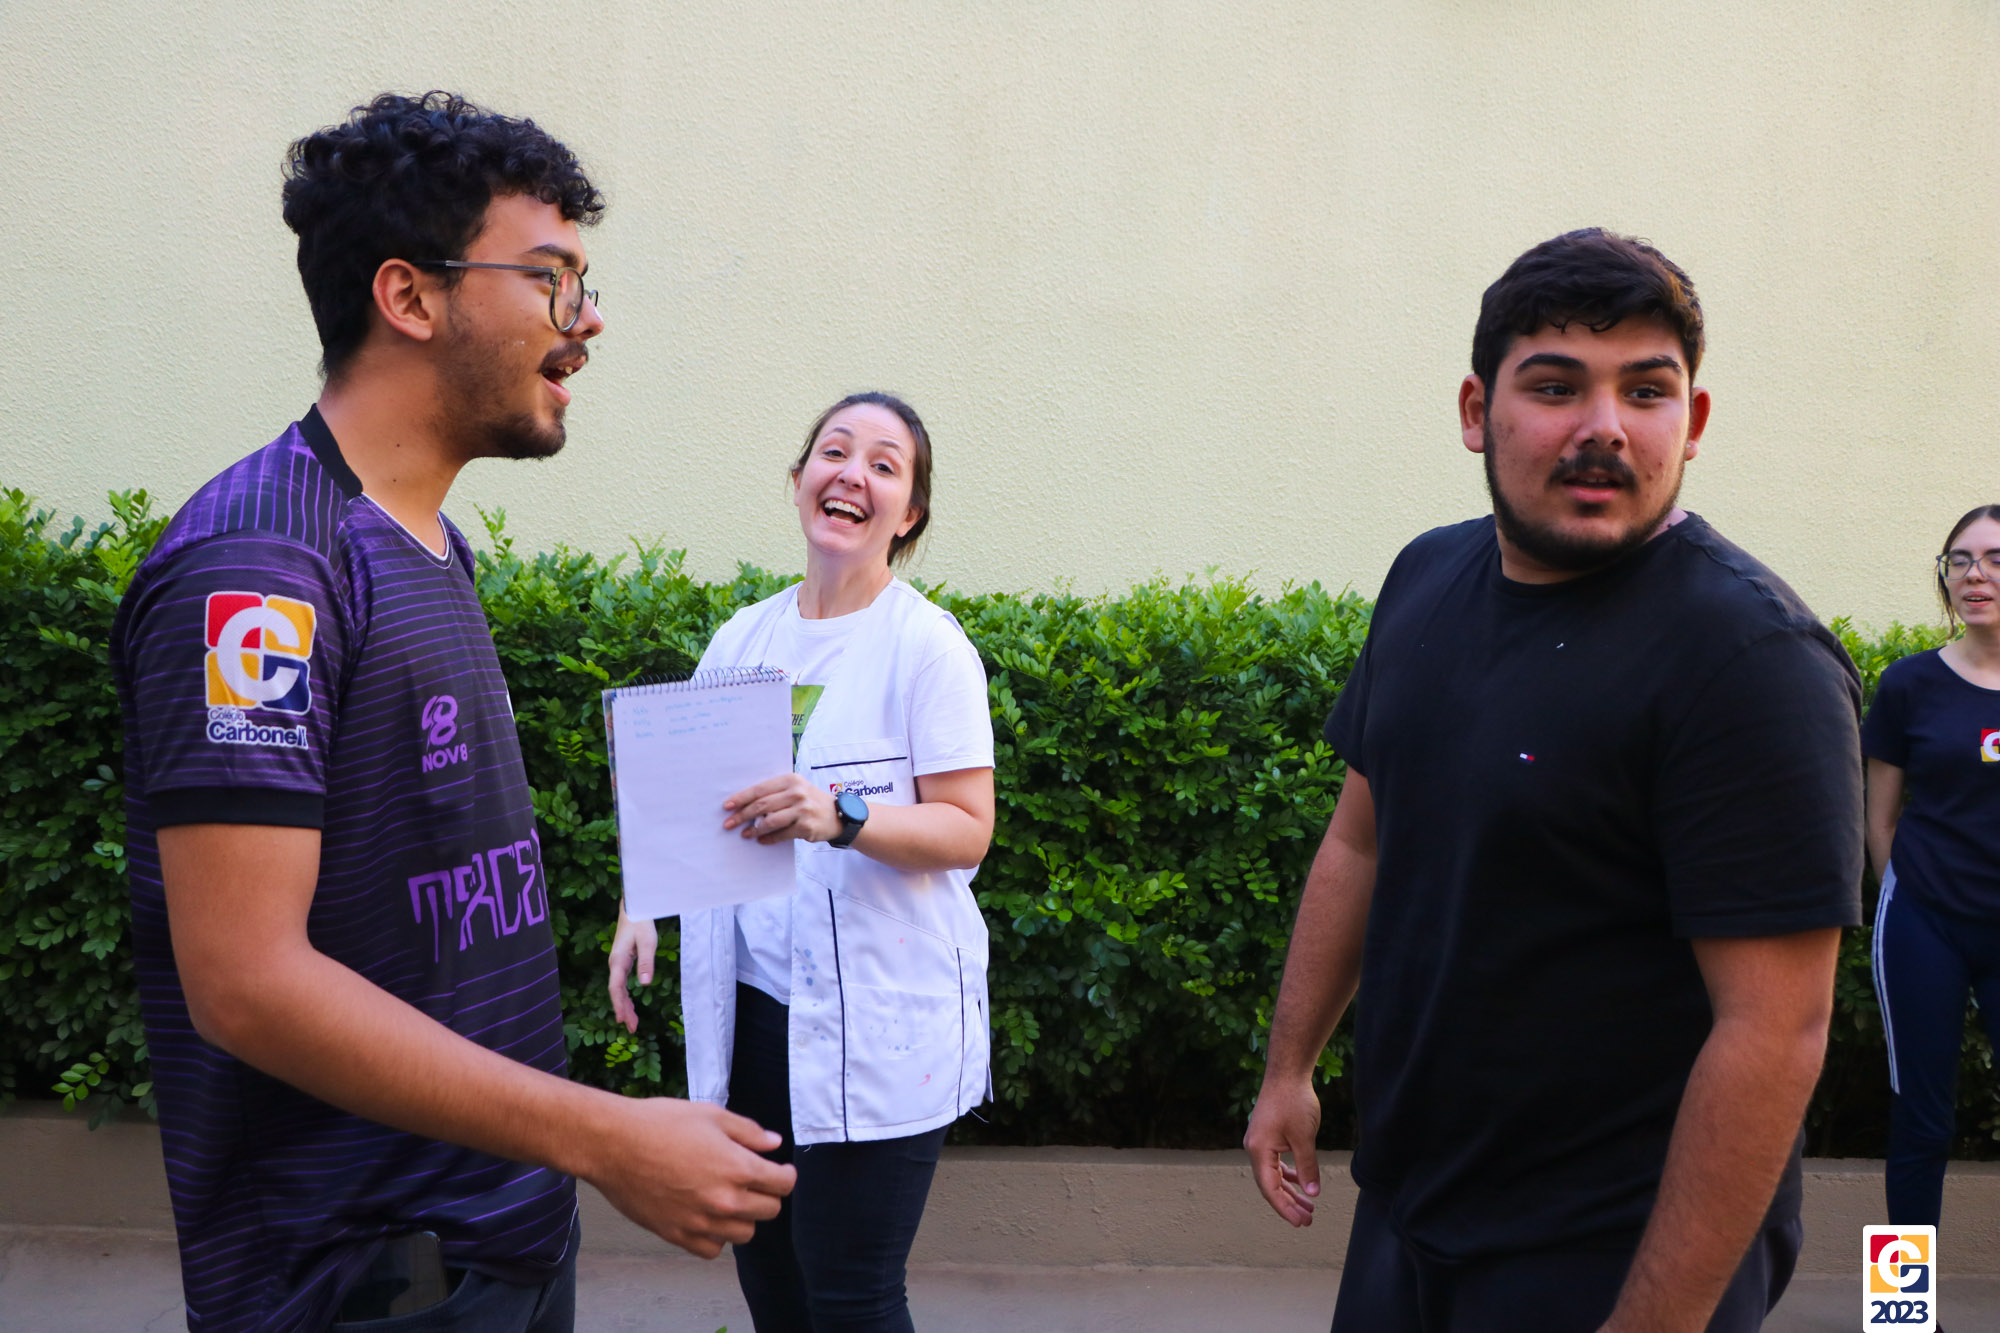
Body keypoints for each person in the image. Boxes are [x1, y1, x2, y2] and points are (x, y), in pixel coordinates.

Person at [109, 92, 792, 1333]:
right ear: (410, 298)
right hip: (365, 1281)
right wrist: (604, 1136)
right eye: (550, 279)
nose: (586, 320)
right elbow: (247, 982)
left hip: (500, 1243)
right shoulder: (261, 572)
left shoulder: (428, 544)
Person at [1243, 229, 1864, 1332]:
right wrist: (1289, 1066)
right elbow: (1360, 839)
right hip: (1411, 1207)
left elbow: (1772, 1032)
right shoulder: (1426, 577)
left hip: (1608, 1249)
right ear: (1476, 411)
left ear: (1692, 421)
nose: (1603, 427)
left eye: (1645, 390)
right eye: (1555, 385)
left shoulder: (1748, 661)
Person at [608, 391, 996, 1333]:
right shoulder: (743, 639)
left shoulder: (928, 648)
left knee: (852, 1292)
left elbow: (967, 828)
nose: (852, 473)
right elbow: (685, 805)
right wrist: (639, 905)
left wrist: (841, 815)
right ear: (797, 483)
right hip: (757, 1017)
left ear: (908, 515)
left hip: (880, 1019)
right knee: (773, 1280)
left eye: (884, 465)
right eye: (835, 451)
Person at [1863, 504, 2000, 1229]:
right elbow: (1879, 817)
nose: (1976, 575)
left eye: (1996, 558)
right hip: (1924, 923)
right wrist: (1906, 893)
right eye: (1961, 560)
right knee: (1920, 1117)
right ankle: (1900, 1294)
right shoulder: (1908, 684)